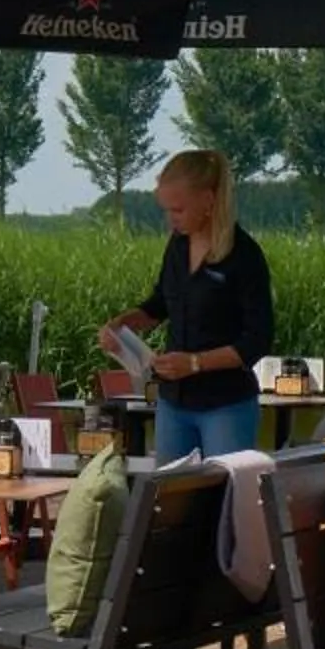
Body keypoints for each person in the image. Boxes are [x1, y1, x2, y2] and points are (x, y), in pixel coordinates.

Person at [100, 149, 273, 460]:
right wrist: (121, 325)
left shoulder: (245, 255)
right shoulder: (177, 246)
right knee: (170, 488)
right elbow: (159, 305)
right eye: (166, 210)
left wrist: (195, 363)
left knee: (223, 488)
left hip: (226, 404)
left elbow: (257, 340)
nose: (171, 219)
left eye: (178, 210)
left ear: (208, 200)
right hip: (173, 403)